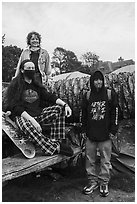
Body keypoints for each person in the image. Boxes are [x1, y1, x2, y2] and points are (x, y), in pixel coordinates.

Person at [6, 59, 74, 157]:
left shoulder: (36, 85)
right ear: (22, 70)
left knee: (59, 109)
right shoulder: (16, 85)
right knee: (26, 126)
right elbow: (15, 107)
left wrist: (65, 105)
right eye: (28, 68)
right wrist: (32, 120)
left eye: (33, 68)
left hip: (38, 114)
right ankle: (54, 147)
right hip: (23, 117)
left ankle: (56, 140)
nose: (31, 70)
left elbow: (49, 96)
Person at [82, 70, 118, 197]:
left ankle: (104, 182)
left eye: (100, 79)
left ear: (103, 81)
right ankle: (92, 182)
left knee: (105, 160)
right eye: (96, 80)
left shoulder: (109, 94)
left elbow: (115, 112)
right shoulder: (87, 95)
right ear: (92, 81)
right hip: (91, 134)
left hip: (105, 134)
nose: (98, 82)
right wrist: (84, 130)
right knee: (89, 160)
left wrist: (113, 129)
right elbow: (84, 114)